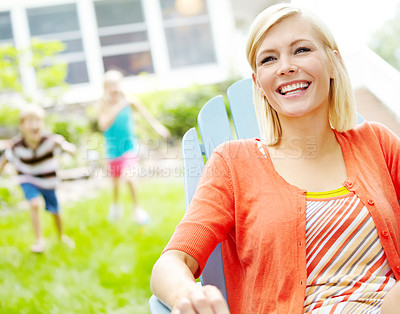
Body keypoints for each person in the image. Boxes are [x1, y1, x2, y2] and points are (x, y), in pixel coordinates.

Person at [150, 3, 400, 313]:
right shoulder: (234, 164)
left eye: (301, 50)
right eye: (269, 59)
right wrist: (186, 294)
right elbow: (172, 261)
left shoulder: (377, 143)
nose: (286, 67)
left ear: (334, 63)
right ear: (258, 84)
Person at [0, 104, 76, 253]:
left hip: (48, 181)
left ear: (42, 123)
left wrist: (63, 144)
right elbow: (4, 160)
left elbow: (72, 151)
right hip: (27, 178)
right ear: (21, 126)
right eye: (29, 121)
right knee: (34, 204)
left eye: (37, 121)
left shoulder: (50, 141)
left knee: (55, 211)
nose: (34, 125)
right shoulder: (16, 146)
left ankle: (61, 236)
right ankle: (39, 241)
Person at [98, 70, 170, 223]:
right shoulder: (104, 106)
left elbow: (146, 115)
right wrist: (119, 106)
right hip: (112, 150)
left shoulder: (130, 102)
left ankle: (137, 209)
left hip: (129, 147)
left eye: (116, 84)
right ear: (105, 88)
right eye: (110, 85)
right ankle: (116, 205)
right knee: (116, 181)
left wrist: (157, 127)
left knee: (129, 178)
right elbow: (103, 125)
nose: (114, 88)